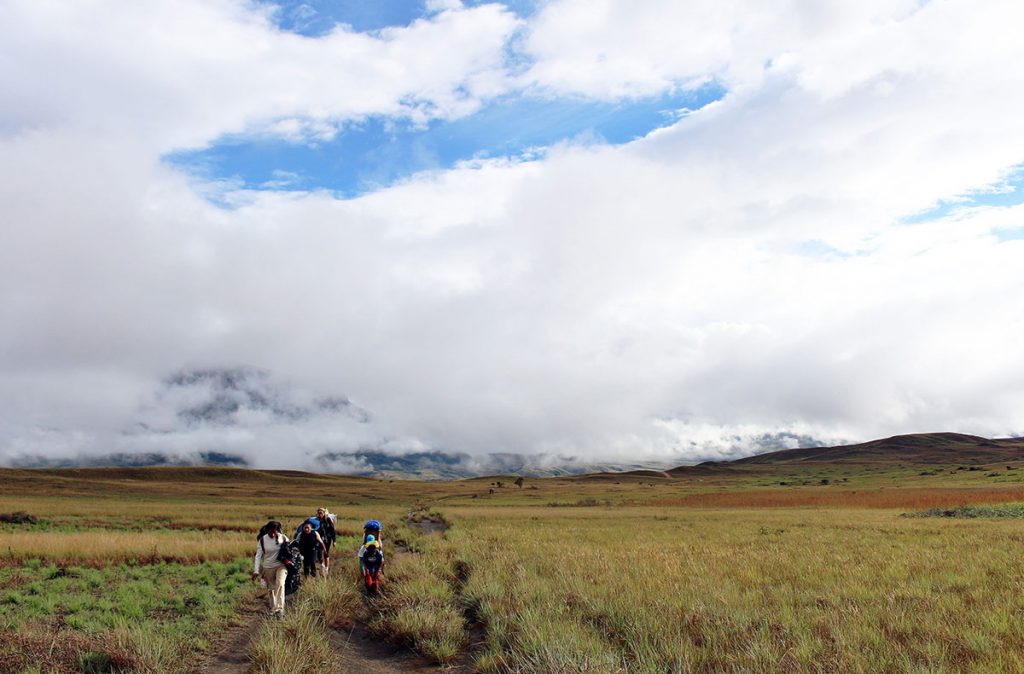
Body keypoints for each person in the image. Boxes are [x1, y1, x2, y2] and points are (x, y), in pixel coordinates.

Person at [252, 520, 292, 618]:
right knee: (271, 589)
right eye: (271, 531)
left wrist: (289, 560)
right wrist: (256, 570)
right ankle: (273, 608)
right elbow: (258, 556)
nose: (273, 533)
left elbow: (290, 550)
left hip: (281, 566)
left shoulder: (283, 538)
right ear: (268, 530)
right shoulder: (262, 540)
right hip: (268, 567)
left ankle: (279, 609)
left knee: (280, 584)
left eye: (275, 531)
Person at [315, 507, 336, 575]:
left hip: (327, 539)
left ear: (324, 513)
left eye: (321, 513)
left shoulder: (328, 520)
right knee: (319, 553)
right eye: (319, 513)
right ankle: (322, 565)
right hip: (319, 538)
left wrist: (334, 541)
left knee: (326, 553)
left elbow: (333, 530)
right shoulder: (317, 520)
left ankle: (326, 568)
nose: (320, 514)